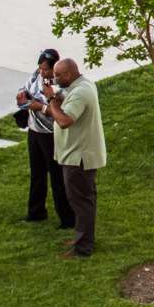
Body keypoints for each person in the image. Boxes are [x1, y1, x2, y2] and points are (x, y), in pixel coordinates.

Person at [36, 58, 104, 256]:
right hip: (78, 154)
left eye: (58, 75)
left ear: (69, 74)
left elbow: (65, 120)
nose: (54, 78)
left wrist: (50, 100)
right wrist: (52, 98)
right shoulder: (82, 85)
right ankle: (83, 238)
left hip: (79, 156)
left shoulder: (81, 92)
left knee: (80, 202)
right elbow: (63, 104)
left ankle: (83, 248)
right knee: (84, 200)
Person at [16, 48, 76, 229]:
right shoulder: (37, 75)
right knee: (37, 173)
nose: (42, 72)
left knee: (57, 177)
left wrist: (38, 106)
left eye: (46, 70)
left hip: (51, 135)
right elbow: (27, 87)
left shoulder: (59, 87)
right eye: (40, 68)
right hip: (35, 132)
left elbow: (57, 112)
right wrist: (22, 95)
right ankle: (36, 212)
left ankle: (67, 218)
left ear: (55, 68)